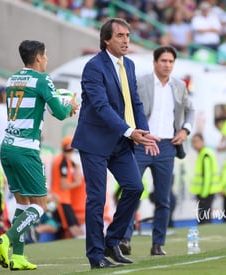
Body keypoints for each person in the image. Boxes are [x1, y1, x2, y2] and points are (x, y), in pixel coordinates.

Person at [71, 18, 160, 269]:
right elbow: (101, 107)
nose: (126, 40)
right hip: (95, 142)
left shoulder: (128, 65)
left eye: (128, 35)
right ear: (106, 40)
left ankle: (113, 241)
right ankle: (96, 255)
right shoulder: (93, 67)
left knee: (134, 187)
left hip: (121, 141)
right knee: (97, 199)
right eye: (120, 35)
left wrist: (145, 133)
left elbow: (136, 102)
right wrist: (129, 131)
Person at [0, 40, 79, 271]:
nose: (47, 59)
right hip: (26, 149)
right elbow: (60, 114)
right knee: (40, 204)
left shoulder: (12, 79)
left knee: (22, 204)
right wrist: (69, 105)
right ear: (39, 57)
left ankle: (18, 257)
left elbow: (36, 104)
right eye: (46, 55)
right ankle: (7, 238)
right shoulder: (43, 80)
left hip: (7, 147)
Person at [132, 45, 194, 255]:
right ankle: (122, 239)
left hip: (167, 146)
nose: (167, 65)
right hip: (141, 144)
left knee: (163, 198)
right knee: (131, 191)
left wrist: (185, 130)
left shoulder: (179, 86)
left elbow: (190, 110)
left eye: (171, 61)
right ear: (154, 62)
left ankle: (158, 244)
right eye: (163, 61)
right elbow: (128, 107)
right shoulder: (141, 82)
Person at [50, 136, 85, 238]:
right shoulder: (63, 161)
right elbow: (64, 185)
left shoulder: (66, 161)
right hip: (61, 200)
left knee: (73, 227)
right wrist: (77, 183)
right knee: (73, 228)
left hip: (64, 200)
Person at [190, 133, 219, 224]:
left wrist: (204, 194)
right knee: (203, 217)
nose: (194, 144)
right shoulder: (203, 154)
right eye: (193, 142)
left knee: (204, 219)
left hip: (206, 192)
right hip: (204, 192)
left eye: (197, 141)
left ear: (203, 142)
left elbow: (207, 176)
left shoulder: (205, 155)